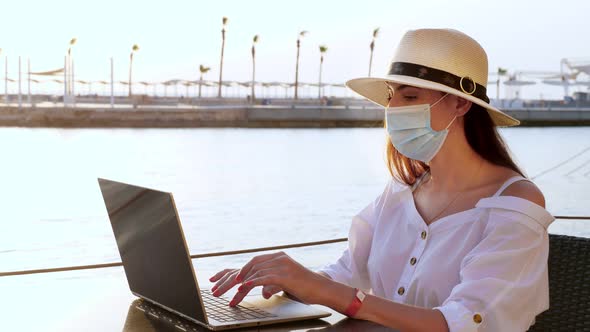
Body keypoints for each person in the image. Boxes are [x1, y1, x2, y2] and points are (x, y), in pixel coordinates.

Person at [209, 29, 554, 331]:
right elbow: (346, 274)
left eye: (410, 96)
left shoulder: (516, 205)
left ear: (461, 104)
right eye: (390, 96)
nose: (393, 109)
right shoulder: (403, 190)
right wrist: (279, 277)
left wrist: (334, 294)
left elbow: (459, 323)